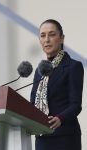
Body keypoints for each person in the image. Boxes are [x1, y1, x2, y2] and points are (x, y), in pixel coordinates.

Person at [30, 19, 84, 150]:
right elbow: (32, 104)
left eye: (52, 34)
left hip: (65, 138)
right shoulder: (40, 71)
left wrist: (60, 118)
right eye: (43, 35)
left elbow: (76, 105)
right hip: (42, 138)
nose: (47, 39)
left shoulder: (73, 66)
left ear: (61, 38)